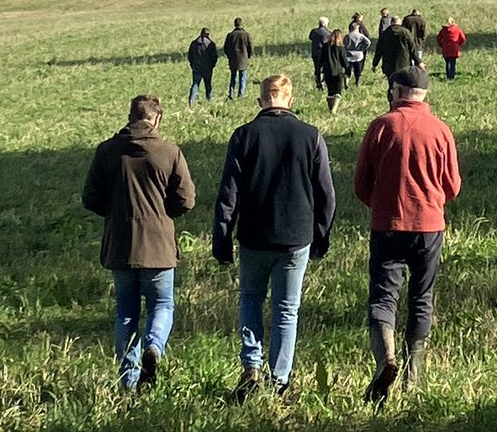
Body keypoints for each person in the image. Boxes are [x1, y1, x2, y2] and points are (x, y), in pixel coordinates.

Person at [213, 74, 336, 401]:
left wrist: (222, 240)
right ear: (290, 100)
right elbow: (327, 194)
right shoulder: (311, 136)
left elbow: (229, 195)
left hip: (254, 235)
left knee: (251, 299)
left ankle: (251, 367)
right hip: (296, 236)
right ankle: (279, 379)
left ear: (260, 101)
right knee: (286, 309)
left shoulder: (243, 136)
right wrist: (321, 236)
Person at [353, 66, 461, 403]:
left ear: (396, 92)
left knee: (383, 299)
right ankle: (413, 379)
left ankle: (385, 357)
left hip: (387, 224)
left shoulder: (381, 127)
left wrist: (382, 204)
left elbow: (360, 184)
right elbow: (453, 186)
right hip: (429, 226)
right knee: (421, 299)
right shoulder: (441, 130)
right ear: (424, 94)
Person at [82, 95, 195, 392]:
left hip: (120, 244)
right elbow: (186, 200)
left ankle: (128, 381)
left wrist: (116, 210)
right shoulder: (169, 152)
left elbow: (90, 198)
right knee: (162, 304)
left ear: (130, 116)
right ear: (155, 119)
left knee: (126, 312)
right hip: (158, 246)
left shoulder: (106, 151)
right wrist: (163, 212)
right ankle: (155, 346)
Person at [373, 16, 417, 81]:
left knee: (391, 85)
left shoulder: (385, 33)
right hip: (404, 64)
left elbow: (378, 51)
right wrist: (418, 62)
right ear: (400, 22)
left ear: (391, 22)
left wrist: (375, 64)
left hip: (389, 65)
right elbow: (412, 48)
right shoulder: (405, 32)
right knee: (403, 85)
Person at [318, 28, 350, 114]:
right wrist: (348, 72)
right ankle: (334, 110)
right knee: (338, 92)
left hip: (327, 72)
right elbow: (344, 61)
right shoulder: (341, 48)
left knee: (330, 92)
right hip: (338, 72)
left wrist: (318, 72)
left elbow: (320, 60)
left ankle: (330, 108)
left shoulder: (325, 46)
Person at [224, 17, 254, 99]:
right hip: (244, 58)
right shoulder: (246, 35)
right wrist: (248, 56)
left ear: (234, 24)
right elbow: (250, 47)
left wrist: (229, 56)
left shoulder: (230, 35)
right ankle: (241, 94)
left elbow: (226, 48)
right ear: (242, 24)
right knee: (242, 78)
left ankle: (231, 93)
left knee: (233, 77)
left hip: (233, 59)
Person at [187, 27, 218, 105]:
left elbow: (190, 56)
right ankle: (209, 100)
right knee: (208, 85)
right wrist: (212, 66)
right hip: (207, 68)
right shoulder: (211, 44)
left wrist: (193, 65)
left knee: (195, 85)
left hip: (196, 68)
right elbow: (214, 57)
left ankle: (191, 101)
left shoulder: (194, 43)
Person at [308, 17, 332, 92]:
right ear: (326, 24)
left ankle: (318, 83)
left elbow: (310, 38)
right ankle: (323, 82)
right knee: (325, 68)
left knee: (317, 68)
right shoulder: (328, 33)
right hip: (324, 53)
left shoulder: (313, 31)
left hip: (315, 52)